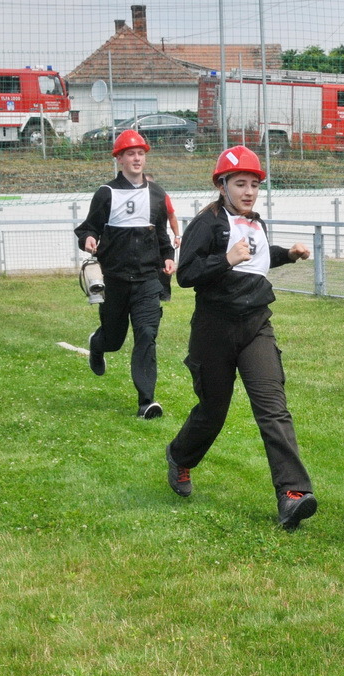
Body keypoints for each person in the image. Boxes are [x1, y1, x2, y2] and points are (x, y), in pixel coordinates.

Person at [165, 145, 318, 531]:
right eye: (240, 184)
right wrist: (225, 260)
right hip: (213, 330)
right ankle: (180, 457)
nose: (249, 192)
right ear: (222, 185)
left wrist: (289, 253)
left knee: (272, 408)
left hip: (256, 326)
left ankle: (293, 495)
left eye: (254, 185)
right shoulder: (208, 223)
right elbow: (186, 274)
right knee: (213, 412)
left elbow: (257, 260)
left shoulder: (256, 223)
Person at [74, 129, 176, 419]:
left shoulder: (156, 194)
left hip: (147, 279)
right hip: (115, 280)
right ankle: (98, 343)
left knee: (146, 334)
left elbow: (161, 235)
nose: (136, 158)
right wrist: (89, 239)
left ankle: (146, 402)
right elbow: (88, 227)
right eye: (130, 153)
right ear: (119, 158)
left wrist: (168, 257)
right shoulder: (106, 193)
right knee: (115, 340)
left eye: (140, 153)